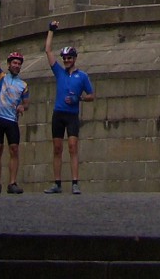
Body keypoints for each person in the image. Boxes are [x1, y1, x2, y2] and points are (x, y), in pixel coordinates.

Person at [43, 19, 94, 194]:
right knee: (57, 148)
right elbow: (48, 51)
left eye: (69, 58)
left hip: (72, 114)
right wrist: (51, 31)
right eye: (64, 58)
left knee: (73, 146)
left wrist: (79, 99)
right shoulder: (59, 72)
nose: (66, 60)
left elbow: (92, 95)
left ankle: (74, 182)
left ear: (74, 59)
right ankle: (57, 183)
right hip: (58, 113)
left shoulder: (82, 76)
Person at [0, 30, 29, 194]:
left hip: (12, 120)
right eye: (14, 63)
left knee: (14, 149)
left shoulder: (23, 85)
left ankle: (12, 182)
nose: (17, 65)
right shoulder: (1, 77)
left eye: (19, 64)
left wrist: (22, 107)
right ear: (9, 64)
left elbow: (26, 103)